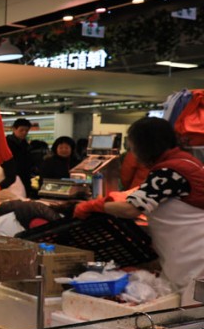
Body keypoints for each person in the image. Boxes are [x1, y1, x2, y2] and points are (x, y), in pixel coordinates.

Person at [75, 117, 204, 304]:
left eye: (133, 148)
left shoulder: (171, 170)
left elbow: (131, 208)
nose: (133, 154)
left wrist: (95, 205)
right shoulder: (183, 162)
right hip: (187, 259)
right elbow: (145, 195)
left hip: (195, 260)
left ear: (147, 145)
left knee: (194, 318)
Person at [0, 118, 33, 197]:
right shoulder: (6, 144)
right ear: (14, 129)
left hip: (24, 177)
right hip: (10, 177)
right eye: (21, 130)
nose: (24, 133)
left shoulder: (26, 145)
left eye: (26, 130)